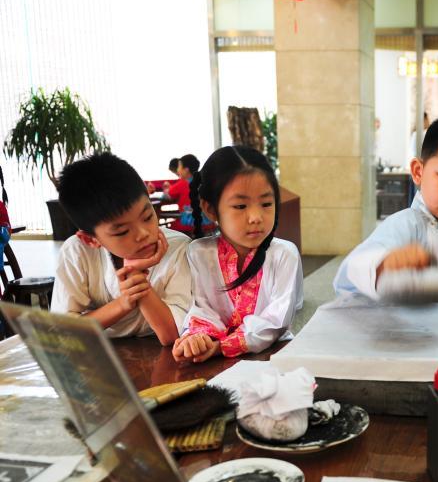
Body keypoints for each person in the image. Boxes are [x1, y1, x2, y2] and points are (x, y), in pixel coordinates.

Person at [334, 111, 438, 343]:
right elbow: (352, 271)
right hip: (418, 360)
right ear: (419, 172)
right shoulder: (405, 225)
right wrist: (384, 266)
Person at [174, 146, 303, 363]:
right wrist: (195, 339)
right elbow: (202, 309)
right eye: (240, 205)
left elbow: (276, 321)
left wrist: (220, 347)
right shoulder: (199, 253)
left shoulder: (284, 254)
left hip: (274, 356)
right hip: (216, 361)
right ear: (210, 209)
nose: (256, 217)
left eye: (266, 204)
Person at [51, 153, 190, 345]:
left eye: (148, 217)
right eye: (122, 231)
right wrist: (124, 303)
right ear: (91, 240)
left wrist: (138, 282)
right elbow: (64, 332)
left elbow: (173, 334)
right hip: (100, 357)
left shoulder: (178, 247)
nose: (143, 233)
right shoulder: (77, 252)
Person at [165, 154, 215, 235]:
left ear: (186, 170)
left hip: (189, 222)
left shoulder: (183, 183)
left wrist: (166, 188)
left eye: (179, 167)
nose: (177, 170)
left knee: (171, 227)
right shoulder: (203, 182)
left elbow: (169, 194)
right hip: (208, 221)